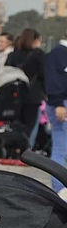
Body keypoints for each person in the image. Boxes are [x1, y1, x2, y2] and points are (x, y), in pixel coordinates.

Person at [8, 28, 46, 146]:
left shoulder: (13, 55)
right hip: (33, 94)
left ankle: (13, 146)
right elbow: (44, 74)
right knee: (30, 125)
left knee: (16, 123)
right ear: (35, 40)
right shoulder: (39, 55)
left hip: (14, 94)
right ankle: (26, 149)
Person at [45, 36, 67, 192]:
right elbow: (54, 80)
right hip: (62, 104)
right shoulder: (58, 54)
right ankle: (59, 189)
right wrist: (58, 103)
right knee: (61, 148)